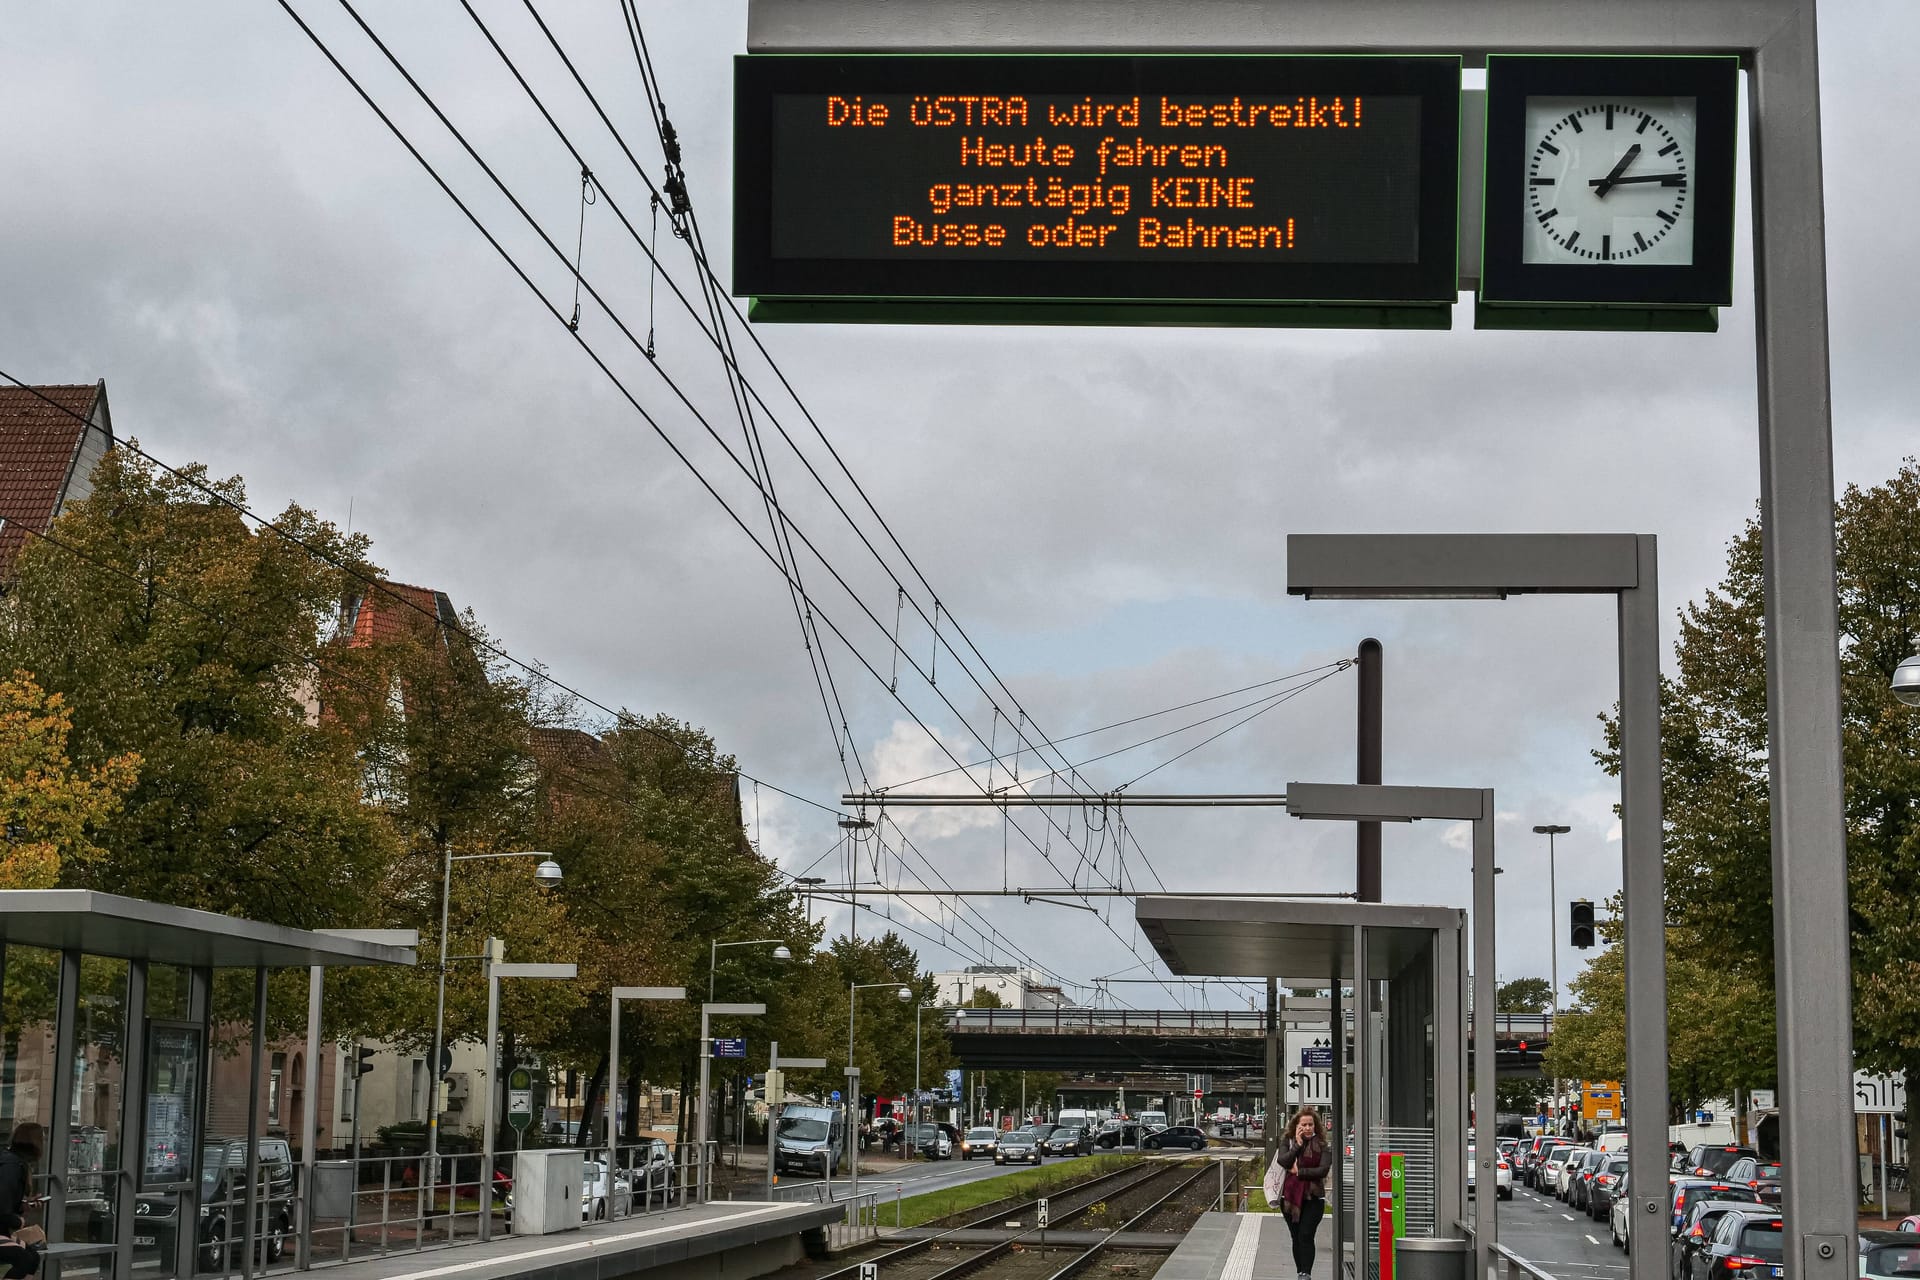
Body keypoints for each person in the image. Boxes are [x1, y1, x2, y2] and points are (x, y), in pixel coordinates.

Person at [1273, 1107, 1330, 1280]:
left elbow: (1323, 1170)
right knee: (1296, 1237)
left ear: (1316, 1126)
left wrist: (1300, 1172)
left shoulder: (1322, 1145)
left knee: (1306, 1234)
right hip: (1290, 1199)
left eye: (1310, 1124)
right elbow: (1283, 1161)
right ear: (1296, 1126)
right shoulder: (1288, 1142)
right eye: (1303, 1124)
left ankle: (1306, 1273)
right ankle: (1300, 1272)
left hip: (1313, 1198)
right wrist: (1297, 1145)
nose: (1307, 1128)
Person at [0, 1123, 45, 1279]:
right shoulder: (13, 1166)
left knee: (32, 1257)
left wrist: (24, 1204)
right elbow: (2, 1208)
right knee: (23, 1258)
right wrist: (18, 1221)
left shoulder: (11, 1161)